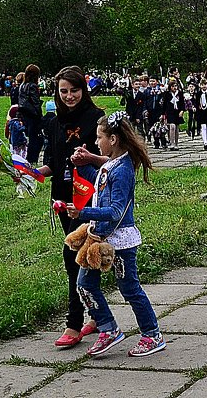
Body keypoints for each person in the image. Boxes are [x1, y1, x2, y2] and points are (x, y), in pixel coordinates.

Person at [66, 112, 165, 357]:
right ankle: (108, 329)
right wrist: (85, 163)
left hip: (119, 242)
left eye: (99, 138)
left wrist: (82, 212)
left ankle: (152, 335)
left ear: (113, 139)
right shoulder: (112, 163)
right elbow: (100, 181)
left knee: (129, 288)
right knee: (84, 285)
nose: (96, 142)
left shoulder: (123, 169)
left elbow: (117, 210)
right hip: (98, 238)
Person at [36, 66, 105, 349]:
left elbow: (109, 158)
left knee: (74, 256)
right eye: (63, 91)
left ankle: (74, 322)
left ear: (83, 90)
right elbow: (51, 162)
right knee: (84, 257)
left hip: (89, 198)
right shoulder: (53, 123)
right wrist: (30, 173)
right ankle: (98, 315)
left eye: (74, 91)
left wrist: (89, 157)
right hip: (63, 199)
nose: (69, 96)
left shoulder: (96, 118)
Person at [18, 64, 45, 164]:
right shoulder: (33, 86)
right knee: (37, 138)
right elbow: (35, 103)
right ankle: (32, 159)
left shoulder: (22, 85)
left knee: (31, 137)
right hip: (33, 115)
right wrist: (40, 116)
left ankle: (29, 158)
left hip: (25, 114)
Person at [160, 80, 186, 150]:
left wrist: (182, 111)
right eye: (173, 86)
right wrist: (162, 114)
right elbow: (164, 105)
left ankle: (176, 143)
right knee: (172, 126)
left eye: (175, 86)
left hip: (177, 112)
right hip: (170, 112)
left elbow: (182, 103)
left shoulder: (179, 93)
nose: (174, 88)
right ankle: (172, 143)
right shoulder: (167, 94)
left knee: (177, 128)